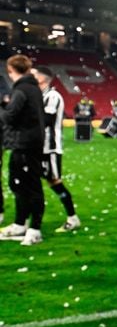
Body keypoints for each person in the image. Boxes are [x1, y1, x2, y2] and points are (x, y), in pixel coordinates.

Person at [0, 54, 46, 245]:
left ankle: (34, 228)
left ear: (11, 71)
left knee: (28, 185)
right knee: (20, 183)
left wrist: (2, 109)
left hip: (24, 143)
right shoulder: (33, 89)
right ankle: (21, 224)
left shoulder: (21, 90)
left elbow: (10, 117)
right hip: (31, 142)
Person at [33, 66, 81, 232]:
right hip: (40, 147)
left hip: (50, 147)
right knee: (36, 182)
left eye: (34, 75)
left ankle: (72, 217)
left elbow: (46, 120)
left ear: (42, 79)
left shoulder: (52, 96)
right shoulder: (40, 95)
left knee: (54, 182)